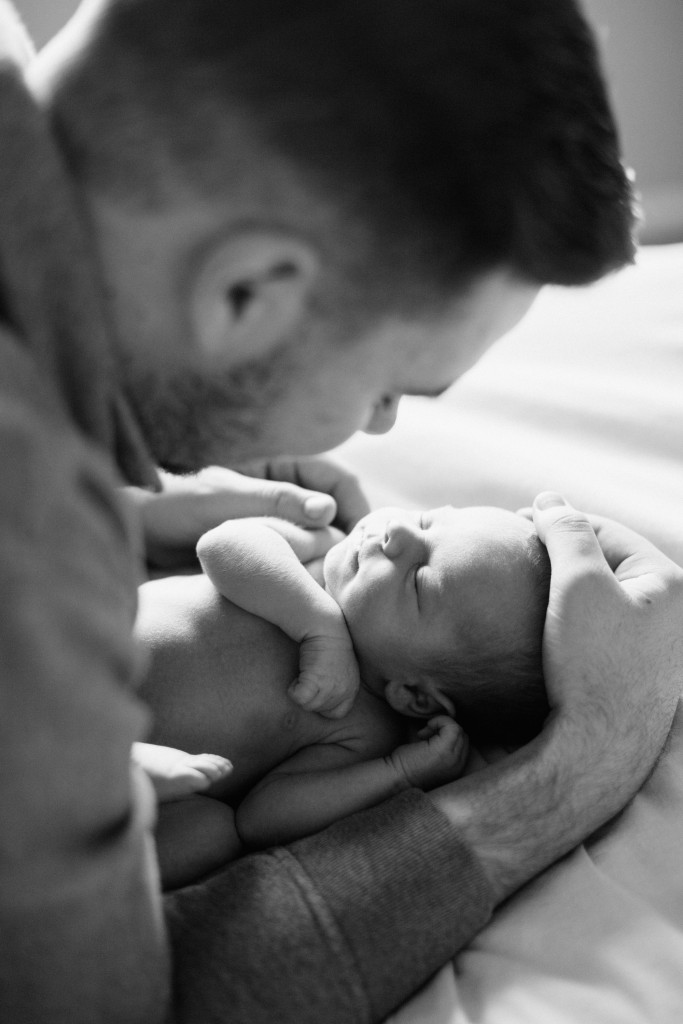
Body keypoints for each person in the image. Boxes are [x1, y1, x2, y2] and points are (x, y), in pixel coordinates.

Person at [1, 1, 682, 1022]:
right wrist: (580, 764)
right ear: (246, 295)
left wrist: (122, 495)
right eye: (388, 388)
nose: (370, 430)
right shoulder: (37, 549)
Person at [135, 504, 550, 886]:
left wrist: (397, 772)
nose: (398, 531)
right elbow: (222, 543)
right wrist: (317, 624)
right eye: (427, 520)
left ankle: (116, 777)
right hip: (89, 659)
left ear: (414, 697)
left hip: (136, 771)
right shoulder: (316, 560)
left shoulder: (364, 731)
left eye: (420, 580)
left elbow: (261, 820)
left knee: (213, 837)